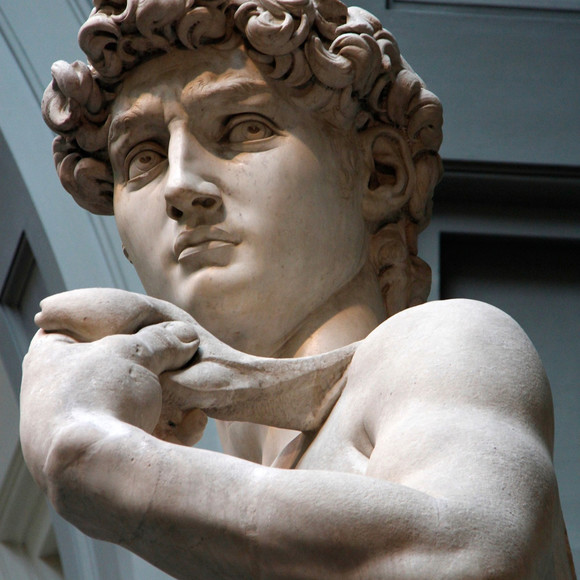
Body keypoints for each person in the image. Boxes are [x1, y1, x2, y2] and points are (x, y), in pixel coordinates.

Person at [20, 0, 575, 577]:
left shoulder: (439, 347)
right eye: (143, 159)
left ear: (379, 173)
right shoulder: (207, 532)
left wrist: (96, 458)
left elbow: (470, 553)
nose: (180, 186)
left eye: (244, 129)